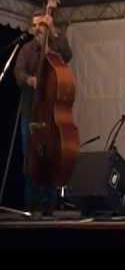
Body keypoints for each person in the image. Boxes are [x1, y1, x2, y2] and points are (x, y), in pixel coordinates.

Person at [14, 11, 73, 214]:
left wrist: (55, 31)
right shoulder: (26, 49)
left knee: (51, 157)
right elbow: (18, 71)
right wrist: (30, 80)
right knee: (30, 157)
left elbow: (68, 55)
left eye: (41, 24)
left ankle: (49, 204)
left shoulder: (55, 48)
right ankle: (31, 204)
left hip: (50, 115)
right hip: (30, 111)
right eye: (34, 25)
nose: (37, 28)